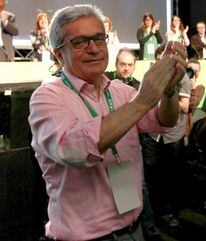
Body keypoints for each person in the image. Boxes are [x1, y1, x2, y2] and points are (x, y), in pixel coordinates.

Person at [28, 4, 187, 240]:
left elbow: (164, 121)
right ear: (59, 53)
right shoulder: (47, 97)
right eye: (80, 42)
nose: (94, 48)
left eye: (99, 38)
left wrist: (169, 88)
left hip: (133, 229)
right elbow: (74, 150)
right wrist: (142, 101)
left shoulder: (120, 91)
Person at [140, 43, 191, 228]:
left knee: (172, 177)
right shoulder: (150, 77)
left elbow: (185, 107)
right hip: (151, 136)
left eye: (169, 58)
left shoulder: (182, 78)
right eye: (162, 58)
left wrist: (168, 93)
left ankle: (170, 213)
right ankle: (153, 214)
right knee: (151, 178)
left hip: (173, 135)